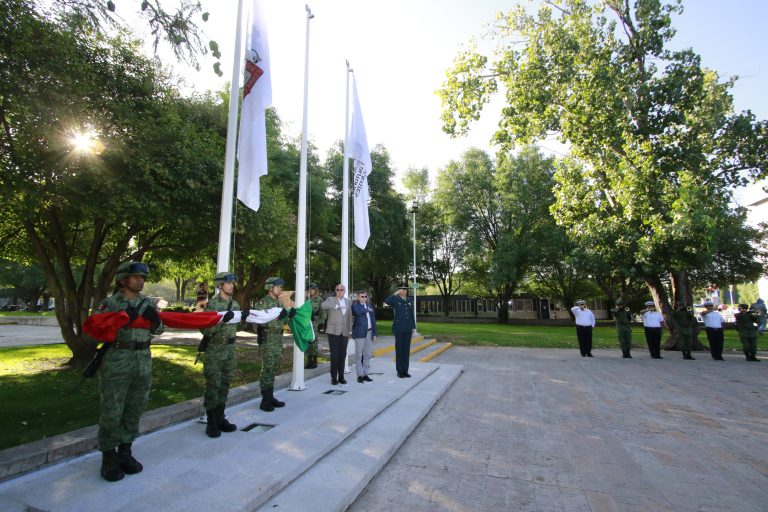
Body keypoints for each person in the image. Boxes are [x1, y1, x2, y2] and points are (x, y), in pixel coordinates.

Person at [92, 261, 164, 482]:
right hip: (118, 362)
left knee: (135, 409)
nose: (140, 281)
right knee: (112, 411)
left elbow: (159, 330)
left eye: (142, 278)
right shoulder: (110, 304)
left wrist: (155, 321)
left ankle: (125, 451)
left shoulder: (147, 303)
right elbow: (97, 330)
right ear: (122, 280)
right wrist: (122, 320)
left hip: (142, 362)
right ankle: (108, 456)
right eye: (135, 277)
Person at [199, 271, 242, 438]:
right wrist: (222, 320)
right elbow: (205, 329)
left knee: (225, 384)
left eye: (232, 283)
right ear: (220, 285)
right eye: (228, 283)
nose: (232, 286)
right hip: (215, 350)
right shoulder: (212, 305)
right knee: (213, 385)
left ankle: (220, 417)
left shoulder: (235, 304)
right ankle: (211, 422)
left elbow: (236, 327)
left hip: (230, 349)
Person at [253, 277, 294, 411]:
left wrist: (289, 315)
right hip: (268, 338)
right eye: (278, 287)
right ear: (270, 288)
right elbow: (260, 320)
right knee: (267, 369)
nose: (280, 289)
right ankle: (265, 400)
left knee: (274, 368)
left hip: (277, 338)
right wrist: (278, 317)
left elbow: (284, 320)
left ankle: (270, 397)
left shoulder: (279, 303)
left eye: (281, 287)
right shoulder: (262, 303)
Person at [322, 284, 353, 385]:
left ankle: (341, 377)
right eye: (338, 290)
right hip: (333, 331)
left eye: (341, 290)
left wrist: (350, 331)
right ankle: (333, 378)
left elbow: (349, 317)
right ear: (335, 291)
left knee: (342, 355)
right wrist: (335, 306)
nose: (339, 291)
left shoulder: (348, 302)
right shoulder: (330, 300)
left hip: (344, 332)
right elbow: (323, 306)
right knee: (334, 355)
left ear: (345, 291)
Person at [384, 284, 416, 377]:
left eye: (405, 289)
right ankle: (399, 371)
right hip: (399, 328)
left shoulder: (409, 300)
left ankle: (405, 371)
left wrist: (413, 327)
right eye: (402, 289)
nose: (404, 291)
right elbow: (386, 301)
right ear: (399, 291)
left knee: (406, 350)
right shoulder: (395, 299)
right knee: (399, 350)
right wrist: (395, 293)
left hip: (408, 328)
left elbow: (411, 314)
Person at [351, 290, 377, 383]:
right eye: (362, 296)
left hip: (369, 333)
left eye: (365, 296)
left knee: (367, 354)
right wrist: (367, 309)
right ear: (358, 297)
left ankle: (365, 374)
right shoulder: (355, 305)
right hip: (360, 333)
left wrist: (374, 333)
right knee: (359, 355)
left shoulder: (369, 306)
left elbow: (373, 321)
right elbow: (357, 312)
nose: (364, 298)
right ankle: (359, 375)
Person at [304, 283, 325, 369]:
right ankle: (309, 361)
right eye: (308, 289)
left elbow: (323, 312)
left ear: (315, 290)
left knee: (314, 342)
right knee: (307, 342)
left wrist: (321, 323)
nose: (310, 291)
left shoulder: (319, 299)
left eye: (312, 289)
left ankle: (314, 361)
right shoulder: (304, 299)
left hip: (315, 323)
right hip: (306, 323)